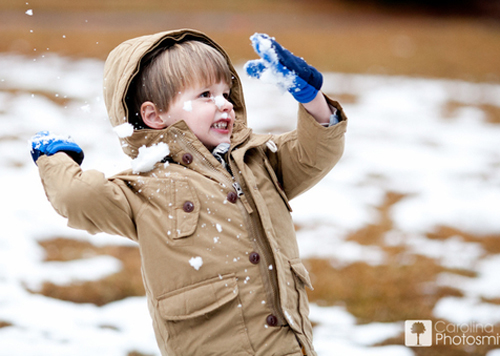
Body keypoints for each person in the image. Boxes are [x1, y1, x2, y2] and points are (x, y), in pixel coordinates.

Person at [30, 29, 347, 356]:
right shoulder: (147, 188)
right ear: (154, 116)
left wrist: (312, 99)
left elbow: (315, 152)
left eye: (226, 93)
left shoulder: (258, 160)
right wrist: (54, 159)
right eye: (206, 95)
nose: (224, 105)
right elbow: (77, 198)